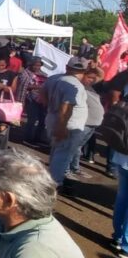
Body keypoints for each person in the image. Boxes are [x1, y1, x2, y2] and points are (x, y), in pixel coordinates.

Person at [40, 57, 88, 190]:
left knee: (56, 151)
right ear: (84, 71)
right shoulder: (74, 85)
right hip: (68, 124)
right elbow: (66, 106)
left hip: (53, 118)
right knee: (63, 155)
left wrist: (50, 107)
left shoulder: (54, 78)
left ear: (67, 67)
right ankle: (55, 183)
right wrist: (61, 126)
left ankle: (51, 179)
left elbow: (41, 94)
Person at [67, 67, 104, 179]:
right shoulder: (78, 88)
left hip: (93, 123)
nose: (92, 80)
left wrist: (96, 67)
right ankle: (67, 169)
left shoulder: (91, 87)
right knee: (73, 147)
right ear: (82, 75)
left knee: (78, 147)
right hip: (84, 123)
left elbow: (101, 75)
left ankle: (75, 168)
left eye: (93, 78)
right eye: (89, 77)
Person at [16, 57, 48, 145]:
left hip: (42, 99)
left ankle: (38, 138)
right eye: (35, 65)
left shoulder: (43, 75)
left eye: (39, 65)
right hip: (30, 99)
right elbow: (21, 86)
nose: (37, 67)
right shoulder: (24, 74)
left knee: (43, 120)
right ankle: (28, 138)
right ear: (30, 64)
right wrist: (35, 87)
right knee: (32, 120)